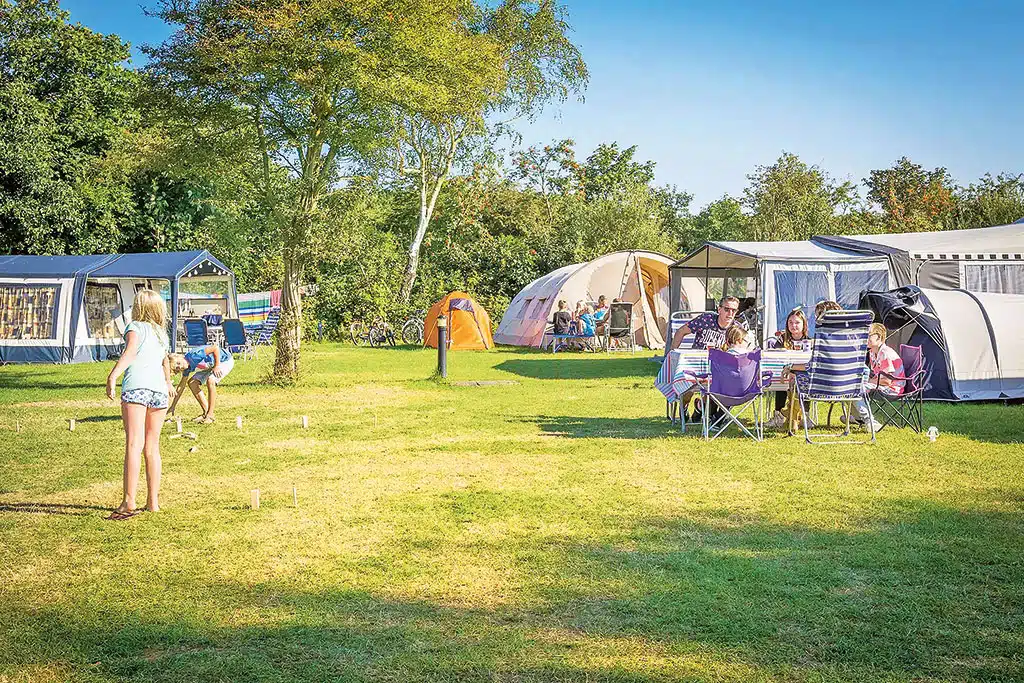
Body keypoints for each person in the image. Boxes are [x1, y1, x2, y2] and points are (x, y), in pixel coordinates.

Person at [104, 289, 173, 520]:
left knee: (134, 444)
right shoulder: (162, 334)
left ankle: (128, 501)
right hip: (159, 392)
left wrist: (113, 376)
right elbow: (165, 363)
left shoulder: (135, 327)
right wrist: (168, 383)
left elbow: (130, 352)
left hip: (136, 388)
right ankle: (153, 502)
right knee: (152, 447)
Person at [849, 323, 903, 430]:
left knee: (857, 389)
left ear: (879, 337)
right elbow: (877, 375)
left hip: (892, 389)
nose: (865, 338)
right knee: (851, 385)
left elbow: (887, 381)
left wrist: (868, 382)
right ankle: (858, 417)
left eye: (868, 335)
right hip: (883, 384)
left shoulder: (885, 353)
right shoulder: (873, 352)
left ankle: (869, 421)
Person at [765, 308, 811, 428]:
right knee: (782, 382)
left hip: (802, 373)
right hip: (783, 373)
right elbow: (776, 358)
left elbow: (809, 363)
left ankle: (803, 415)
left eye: (797, 322)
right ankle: (779, 414)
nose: (793, 325)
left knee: (803, 380)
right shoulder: (781, 340)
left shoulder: (809, 341)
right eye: (790, 322)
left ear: (803, 324)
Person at [168, 343, 234, 424]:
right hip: (210, 366)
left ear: (180, 356)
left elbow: (215, 348)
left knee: (211, 380)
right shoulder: (186, 369)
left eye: (178, 363)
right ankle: (206, 413)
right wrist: (173, 406)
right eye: (177, 369)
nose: (180, 367)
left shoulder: (194, 356)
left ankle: (210, 415)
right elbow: (181, 387)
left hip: (224, 361)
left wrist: (217, 366)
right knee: (192, 383)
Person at [671, 295, 741, 350]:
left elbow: (743, 348)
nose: (730, 313)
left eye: (734, 310)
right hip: (697, 361)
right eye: (727, 309)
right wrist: (672, 354)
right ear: (719, 310)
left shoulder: (736, 329)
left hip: (721, 365)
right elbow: (681, 331)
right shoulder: (706, 319)